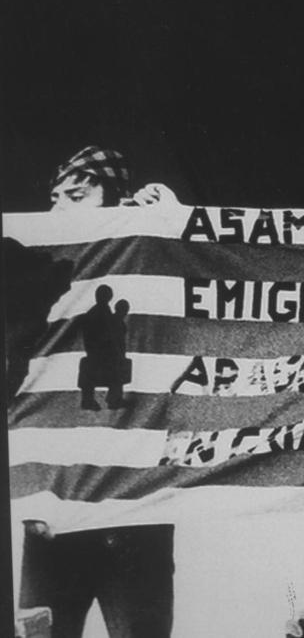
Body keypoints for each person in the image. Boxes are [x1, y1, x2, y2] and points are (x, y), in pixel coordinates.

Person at [20, 145, 180, 638]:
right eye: (55, 198)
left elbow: (202, 281)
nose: (60, 208)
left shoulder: (147, 262)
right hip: (56, 506)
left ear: (118, 198)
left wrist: (171, 219)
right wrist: (29, 498)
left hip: (134, 505)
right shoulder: (39, 285)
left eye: (77, 193)